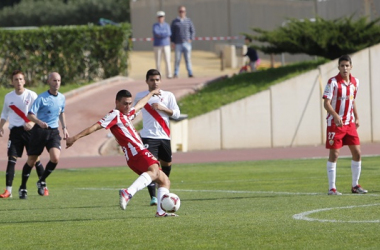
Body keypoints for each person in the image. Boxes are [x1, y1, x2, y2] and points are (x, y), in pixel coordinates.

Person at [66, 88, 178, 217]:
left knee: (165, 181)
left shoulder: (127, 114)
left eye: (129, 103)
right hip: (136, 151)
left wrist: (151, 94)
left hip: (136, 154)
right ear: (117, 102)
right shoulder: (114, 114)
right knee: (154, 171)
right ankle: (128, 192)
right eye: (125, 103)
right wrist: (74, 138)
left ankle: (161, 212)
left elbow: (140, 105)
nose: (128, 106)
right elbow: (96, 126)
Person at [19, 72, 69, 199]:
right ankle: (23, 187)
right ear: (49, 82)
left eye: (58, 80)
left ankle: (41, 180)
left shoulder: (62, 98)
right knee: (31, 160)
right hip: (39, 132)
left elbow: (61, 112)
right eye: (54, 80)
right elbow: (30, 115)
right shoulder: (41, 98)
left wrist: (64, 128)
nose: (56, 83)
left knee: (55, 158)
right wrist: (39, 122)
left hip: (53, 132)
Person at [134, 69, 180, 206]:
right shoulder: (141, 96)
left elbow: (176, 114)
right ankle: (153, 197)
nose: (155, 82)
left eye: (157, 80)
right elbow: (133, 112)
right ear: (147, 81)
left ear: (160, 81)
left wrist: (162, 108)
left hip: (164, 137)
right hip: (148, 137)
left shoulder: (168, 96)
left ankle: (162, 191)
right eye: (152, 80)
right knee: (151, 167)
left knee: (166, 165)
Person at [322, 54, 367, 195]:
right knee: (334, 154)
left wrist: (357, 117)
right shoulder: (333, 82)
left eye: (347, 65)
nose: (345, 68)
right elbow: (326, 103)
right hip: (335, 124)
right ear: (339, 67)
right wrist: (335, 116)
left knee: (357, 153)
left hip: (350, 124)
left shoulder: (355, 82)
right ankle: (332, 188)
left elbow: (352, 101)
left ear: (351, 67)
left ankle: (355, 185)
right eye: (342, 66)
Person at [0, 70, 45, 199]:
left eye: (20, 79)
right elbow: (4, 114)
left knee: (35, 159)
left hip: (30, 131)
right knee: (11, 159)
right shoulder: (8, 97)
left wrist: (32, 123)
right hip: (15, 132)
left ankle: (43, 185)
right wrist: (1, 126)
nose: (18, 82)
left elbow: (39, 112)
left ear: (24, 81)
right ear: (12, 82)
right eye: (16, 79)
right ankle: (8, 190)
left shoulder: (32, 95)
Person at [171, 5, 195, 78]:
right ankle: (176, 73)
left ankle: (190, 73)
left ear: (185, 12)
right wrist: (172, 42)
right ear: (178, 12)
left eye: (183, 11)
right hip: (178, 44)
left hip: (187, 43)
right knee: (177, 60)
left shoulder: (188, 21)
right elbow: (172, 32)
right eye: (180, 11)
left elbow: (192, 30)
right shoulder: (175, 22)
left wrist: (191, 38)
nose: (182, 13)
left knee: (188, 59)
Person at [153, 10, 173, 79]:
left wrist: (162, 34)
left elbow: (169, 33)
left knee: (167, 60)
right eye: (159, 17)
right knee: (158, 61)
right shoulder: (155, 25)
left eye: (161, 16)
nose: (160, 18)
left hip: (166, 44)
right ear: (157, 18)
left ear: (164, 17)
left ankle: (169, 74)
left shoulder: (167, 25)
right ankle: (158, 75)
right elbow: (156, 33)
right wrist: (164, 34)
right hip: (157, 45)